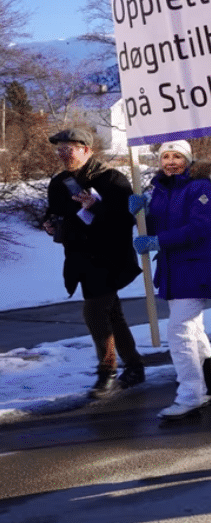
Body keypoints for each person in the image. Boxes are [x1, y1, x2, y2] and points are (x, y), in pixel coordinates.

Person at [43, 128, 144, 398]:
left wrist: (96, 207)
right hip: (79, 258)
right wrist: (50, 224)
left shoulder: (111, 179)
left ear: (87, 150)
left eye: (69, 149)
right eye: (60, 150)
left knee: (95, 312)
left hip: (109, 257)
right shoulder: (59, 182)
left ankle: (107, 372)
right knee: (112, 313)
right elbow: (54, 211)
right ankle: (134, 366)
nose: (63, 154)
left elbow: (127, 219)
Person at [130, 140, 211, 419]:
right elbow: (156, 224)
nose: (171, 162)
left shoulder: (200, 188)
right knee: (193, 331)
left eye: (177, 157)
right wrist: (142, 212)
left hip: (195, 269)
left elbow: (201, 227)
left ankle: (190, 395)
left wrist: (158, 240)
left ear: (188, 160)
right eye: (166, 157)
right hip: (172, 270)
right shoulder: (159, 189)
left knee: (179, 331)